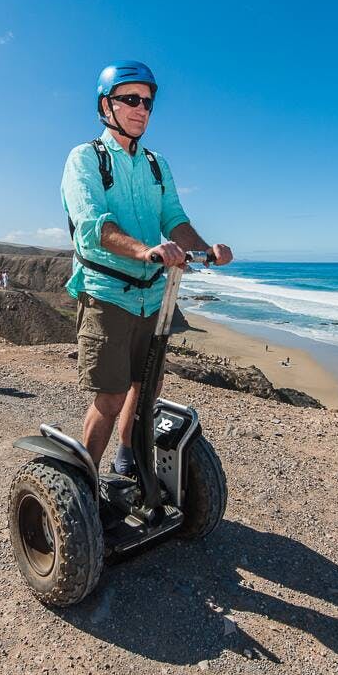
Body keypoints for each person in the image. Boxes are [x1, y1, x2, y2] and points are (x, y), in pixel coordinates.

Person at [62, 60, 233, 477]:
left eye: (149, 103)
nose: (142, 110)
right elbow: (93, 227)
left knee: (148, 387)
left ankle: (127, 461)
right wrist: (144, 251)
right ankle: (84, 483)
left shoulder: (157, 164)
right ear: (107, 105)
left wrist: (205, 248)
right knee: (111, 396)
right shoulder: (86, 159)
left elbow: (174, 218)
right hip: (107, 293)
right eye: (131, 100)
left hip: (155, 296)